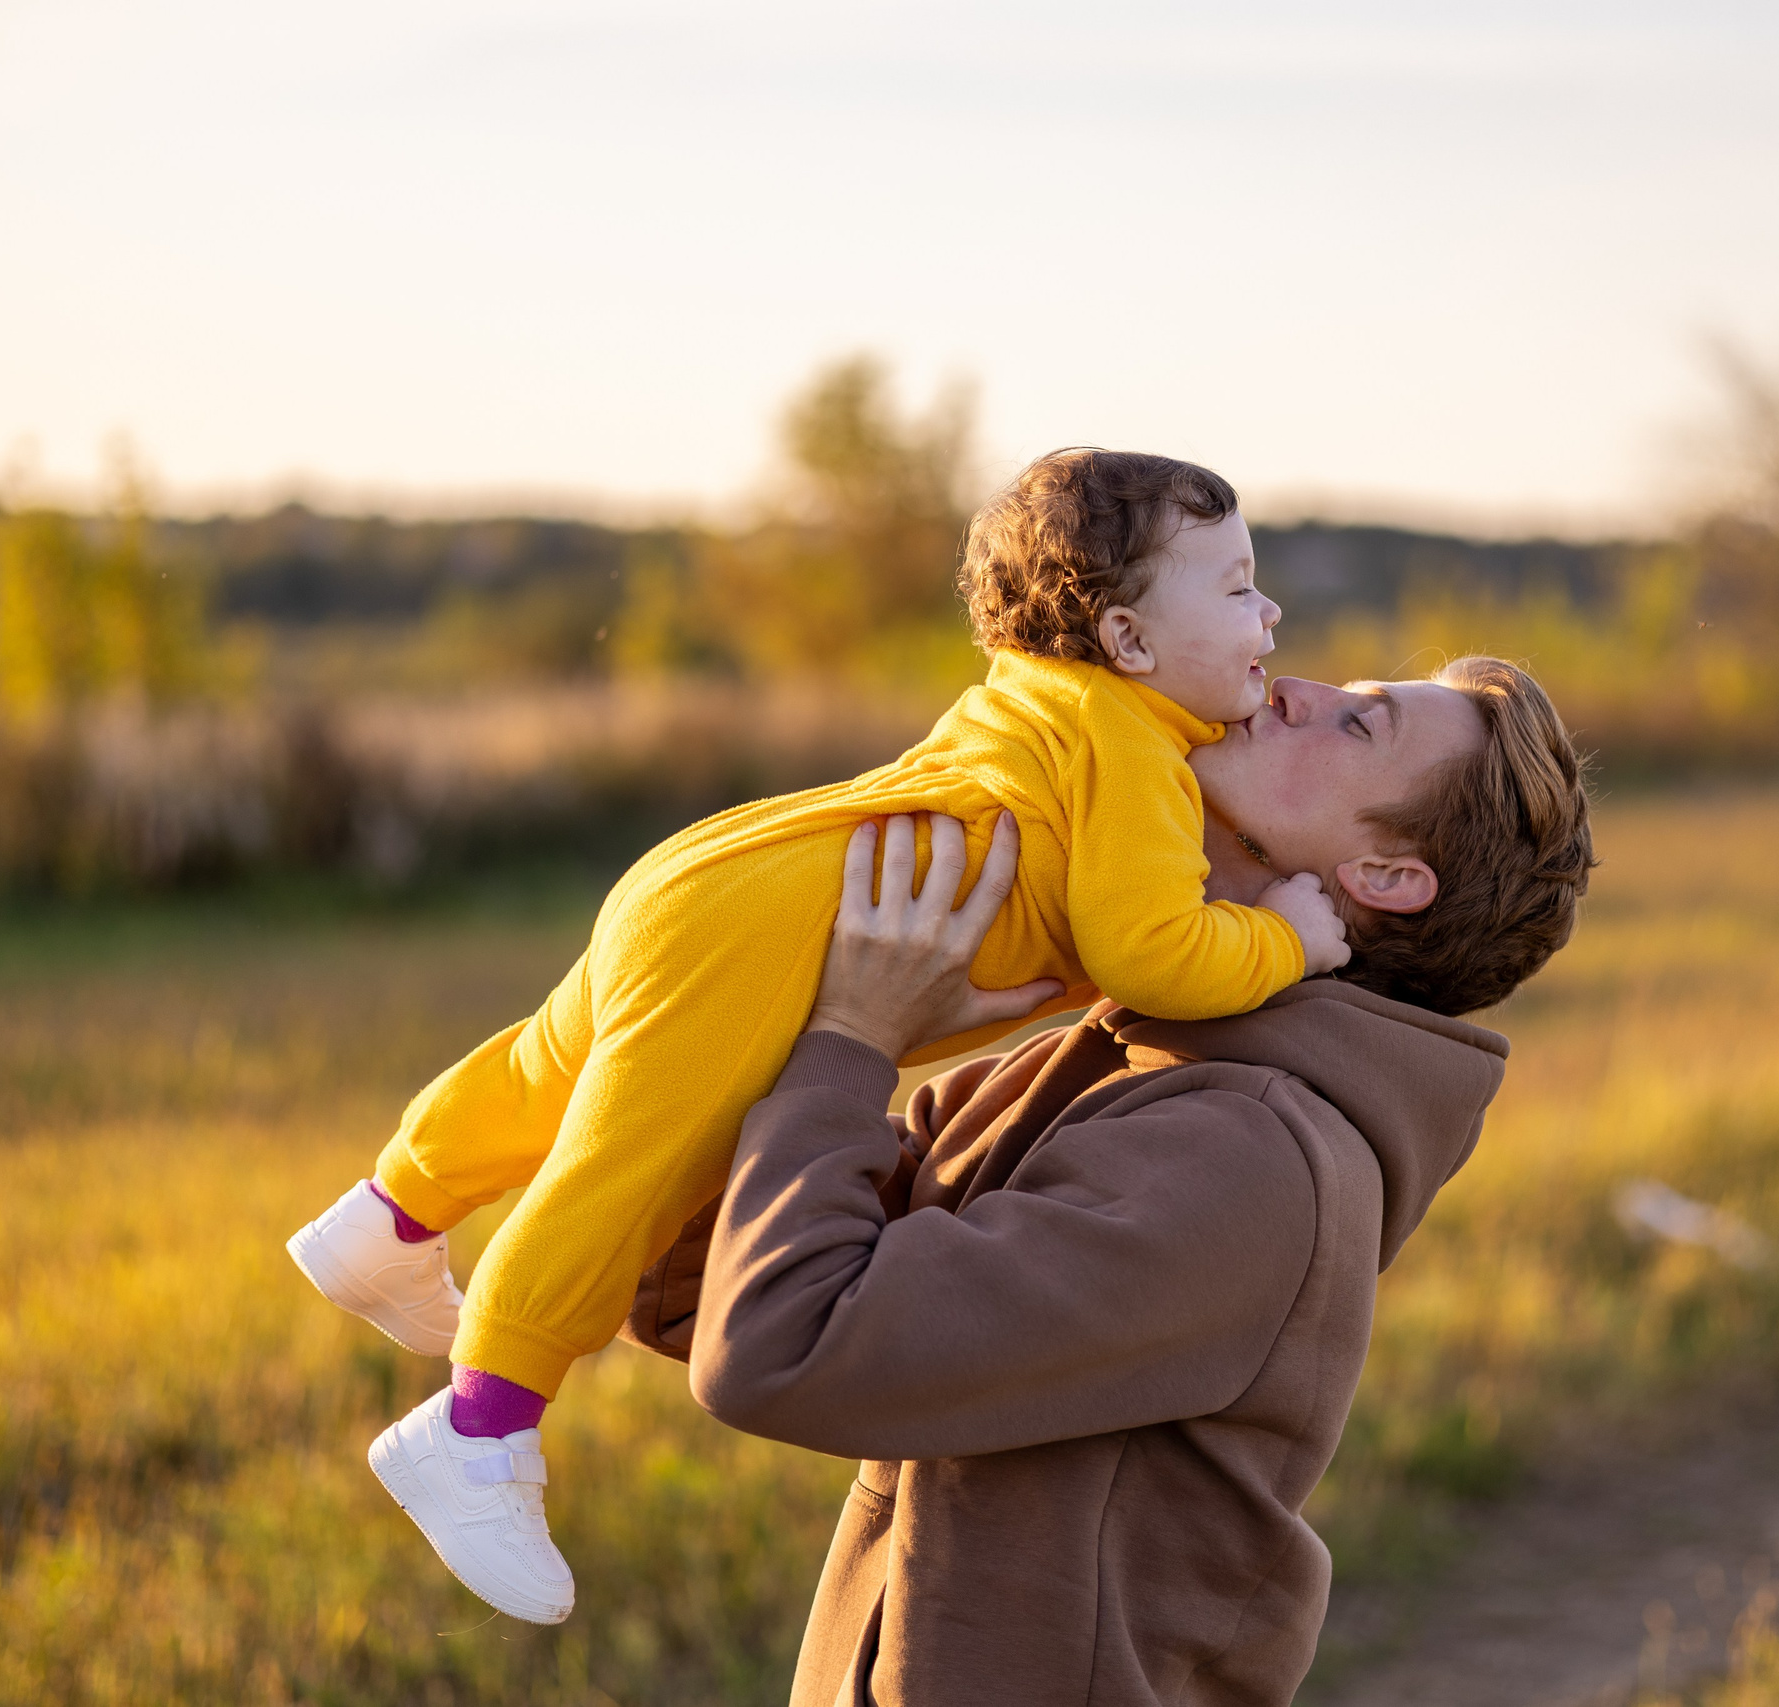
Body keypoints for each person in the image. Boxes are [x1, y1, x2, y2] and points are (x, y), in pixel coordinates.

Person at [285, 450, 1388, 1623]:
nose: (1271, 615)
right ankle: (478, 1427)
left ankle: (386, 1217)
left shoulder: (1037, 687)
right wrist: (1287, 942)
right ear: (1125, 641)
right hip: (777, 936)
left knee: (546, 1070)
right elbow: (1150, 952)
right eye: (1237, 588)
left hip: (728, 871)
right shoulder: (1136, 755)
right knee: (628, 1164)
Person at [642, 655, 1594, 1703]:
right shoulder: (1127, 1058)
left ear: (1382, 878)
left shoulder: (1244, 1151)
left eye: (1359, 727)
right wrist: (772, 1011)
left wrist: (853, 1040)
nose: (1294, 687)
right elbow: (695, 1288)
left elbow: (779, 1347)